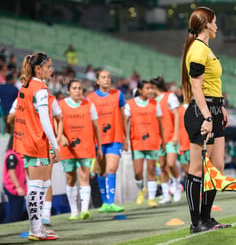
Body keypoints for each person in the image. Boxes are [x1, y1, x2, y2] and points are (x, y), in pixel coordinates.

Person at [181, 6, 231, 233]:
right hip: (201, 112)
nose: (217, 26)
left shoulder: (205, 49)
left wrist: (221, 107)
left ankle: (207, 218)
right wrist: (208, 116)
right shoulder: (199, 49)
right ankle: (195, 223)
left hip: (214, 109)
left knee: (217, 167)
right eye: (215, 22)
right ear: (206, 25)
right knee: (197, 168)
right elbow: (196, 88)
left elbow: (212, 85)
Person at [13, 52, 59, 241]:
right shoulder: (39, 89)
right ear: (38, 68)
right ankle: (35, 229)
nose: (52, 70)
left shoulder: (26, 85)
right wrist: (55, 145)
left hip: (26, 140)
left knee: (41, 184)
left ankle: (38, 227)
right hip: (35, 141)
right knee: (37, 186)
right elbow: (45, 120)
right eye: (48, 66)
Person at [59, 80, 103, 220]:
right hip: (68, 148)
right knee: (70, 178)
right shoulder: (61, 105)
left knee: (84, 177)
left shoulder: (89, 105)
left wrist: (99, 146)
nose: (78, 90)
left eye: (80, 88)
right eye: (74, 88)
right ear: (68, 91)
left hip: (85, 147)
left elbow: (96, 127)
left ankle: (84, 210)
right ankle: (74, 211)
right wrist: (61, 137)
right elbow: (56, 123)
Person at [88, 70, 127, 213]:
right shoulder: (90, 98)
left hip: (115, 137)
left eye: (109, 77)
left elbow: (124, 117)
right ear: (97, 81)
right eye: (103, 77)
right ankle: (105, 203)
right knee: (100, 171)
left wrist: (126, 137)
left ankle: (111, 202)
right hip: (97, 140)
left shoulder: (118, 95)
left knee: (111, 168)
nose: (107, 80)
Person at [124, 80, 164, 208]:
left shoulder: (155, 104)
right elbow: (125, 122)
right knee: (138, 172)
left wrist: (162, 139)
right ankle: (142, 189)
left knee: (152, 170)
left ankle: (152, 199)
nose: (151, 91)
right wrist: (125, 139)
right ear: (140, 90)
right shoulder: (130, 104)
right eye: (147, 88)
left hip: (152, 141)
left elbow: (160, 123)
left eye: (151, 88)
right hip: (137, 141)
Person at [150, 76, 182, 204]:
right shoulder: (152, 101)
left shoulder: (170, 97)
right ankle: (166, 194)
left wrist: (175, 134)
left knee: (170, 163)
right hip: (158, 139)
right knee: (162, 166)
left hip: (170, 137)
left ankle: (177, 185)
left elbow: (177, 115)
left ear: (154, 87)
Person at [42, 94, 63, 226]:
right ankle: (37, 213)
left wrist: (58, 138)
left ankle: (46, 214)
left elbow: (59, 119)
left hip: (48, 143)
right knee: (35, 181)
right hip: (32, 143)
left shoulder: (51, 99)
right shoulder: (24, 97)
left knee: (46, 178)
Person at [2, 134, 27, 223]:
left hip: (17, 187)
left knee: (18, 212)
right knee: (14, 214)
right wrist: (18, 187)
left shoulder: (17, 155)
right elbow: (11, 172)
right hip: (13, 188)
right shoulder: (12, 156)